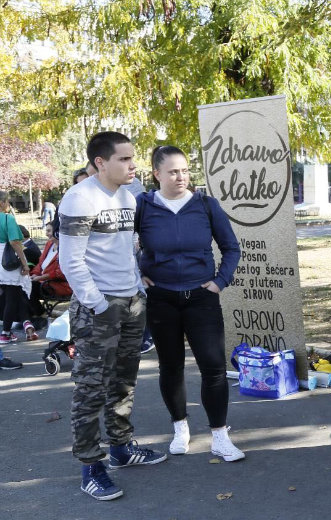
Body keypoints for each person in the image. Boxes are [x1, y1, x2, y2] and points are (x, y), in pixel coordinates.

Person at [59, 131, 166, 501]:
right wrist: (98, 303)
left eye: (133, 158)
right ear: (100, 162)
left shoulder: (127, 195)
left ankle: (121, 447)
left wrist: (137, 288)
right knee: (91, 389)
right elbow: (70, 260)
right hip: (98, 309)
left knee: (124, 381)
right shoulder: (79, 198)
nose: (133, 165)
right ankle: (92, 466)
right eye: (124, 159)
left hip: (132, 302)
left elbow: (125, 250)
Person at [136, 145, 243, 462]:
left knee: (213, 368)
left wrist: (219, 282)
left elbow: (231, 248)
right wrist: (136, 275)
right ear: (157, 173)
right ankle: (180, 429)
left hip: (201, 298)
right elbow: (118, 244)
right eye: (172, 171)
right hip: (162, 299)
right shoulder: (143, 206)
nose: (181, 176)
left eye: (184, 170)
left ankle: (220, 437)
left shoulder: (205, 205)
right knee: (171, 367)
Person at [0, 190, 30, 363]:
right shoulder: (7, 219)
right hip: (6, 260)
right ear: (3, 202)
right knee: (12, 296)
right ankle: (5, 333)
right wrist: (25, 263)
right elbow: (15, 242)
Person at [28, 221, 72, 318]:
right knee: (22, 284)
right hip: (44, 281)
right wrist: (35, 274)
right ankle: (29, 316)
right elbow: (40, 263)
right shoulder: (49, 244)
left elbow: (60, 272)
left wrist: (41, 277)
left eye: (49, 231)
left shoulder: (66, 248)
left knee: (29, 286)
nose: (46, 234)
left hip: (59, 284)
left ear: (57, 231)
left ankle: (40, 314)